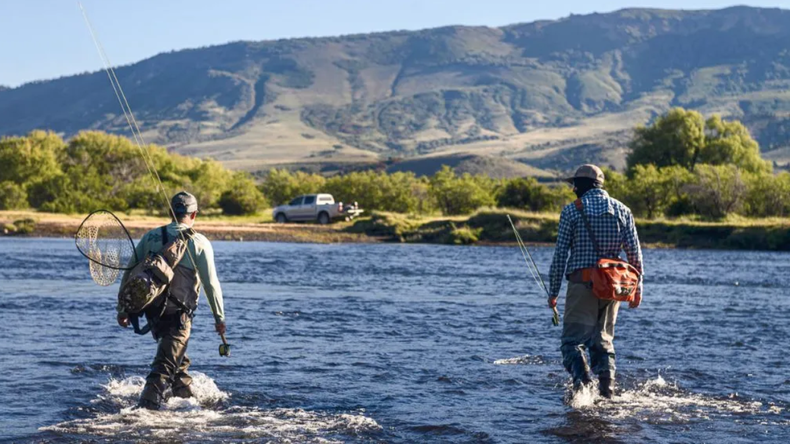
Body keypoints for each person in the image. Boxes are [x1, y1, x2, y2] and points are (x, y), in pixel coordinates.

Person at [117, 191, 226, 410]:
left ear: (170, 212)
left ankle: (187, 401)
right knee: (164, 367)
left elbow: (129, 272)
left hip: (152, 314)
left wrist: (123, 309)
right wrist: (219, 318)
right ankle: (143, 411)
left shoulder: (150, 237)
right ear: (194, 214)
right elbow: (211, 284)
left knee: (176, 360)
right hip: (179, 316)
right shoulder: (199, 242)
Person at [548, 164, 643, 399]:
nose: (572, 190)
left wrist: (553, 291)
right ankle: (607, 394)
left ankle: (582, 390)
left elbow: (560, 255)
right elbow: (635, 254)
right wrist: (637, 289)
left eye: (575, 185)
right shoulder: (623, 210)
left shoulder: (571, 211)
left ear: (583, 185)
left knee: (571, 343)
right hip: (614, 287)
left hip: (582, 284)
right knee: (603, 342)